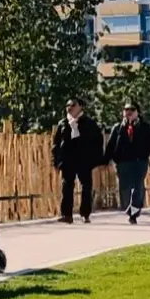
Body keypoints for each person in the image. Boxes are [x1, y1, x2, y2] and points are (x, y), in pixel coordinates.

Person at [51, 96, 106, 224]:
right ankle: (67, 215)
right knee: (67, 187)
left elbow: (98, 142)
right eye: (67, 106)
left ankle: (85, 213)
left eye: (73, 105)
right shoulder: (63, 124)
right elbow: (56, 144)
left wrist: (96, 160)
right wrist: (56, 160)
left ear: (80, 107)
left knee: (86, 187)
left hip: (84, 160)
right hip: (68, 160)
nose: (69, 108)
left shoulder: (89, 124)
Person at [105, 100, 150, 223]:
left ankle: (134, 211)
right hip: (123, 162)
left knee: (138, 185)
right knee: (124, 187)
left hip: (140, 161)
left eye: (132, 110)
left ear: (137, 112)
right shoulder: (118, 128)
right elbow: (110, 145)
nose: (129, 112)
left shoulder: (145, 127)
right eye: (126, 110)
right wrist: (106, 160)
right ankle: (128, 208)